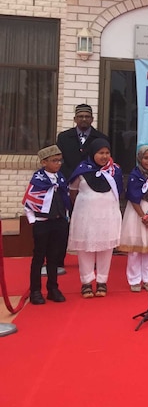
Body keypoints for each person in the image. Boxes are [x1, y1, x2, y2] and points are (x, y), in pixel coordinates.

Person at [68, 138, 123, 299]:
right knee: (85, 249)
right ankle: (86, 282)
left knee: (106, 249)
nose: (104, 156)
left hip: (107, 217)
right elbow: (72, 191)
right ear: (93, 153)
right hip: (86, 218)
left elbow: (119, 192)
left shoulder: (115, 170)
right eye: (100, 153)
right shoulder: (82, 170)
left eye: (107, 153)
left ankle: (101, 282)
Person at [23, 145, 71, 304]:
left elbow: (65, 198)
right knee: (39, 257)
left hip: (58, 221)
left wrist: (65, 217)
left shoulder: (61, 178)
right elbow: (28, 201)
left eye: (59, 160)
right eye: (54, 161)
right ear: (44, 162)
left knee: (54, 257)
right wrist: (33, 220)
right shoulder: (38, 179)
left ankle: (53, 288)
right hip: (42, 223)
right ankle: (35, 291)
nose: (58, 164)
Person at [119, 145, 148, 293]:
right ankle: (134, 279)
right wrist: (143, 216)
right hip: (137, 213)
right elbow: (133, 197)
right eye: (146, 158)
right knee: (135, 248)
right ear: (139, 158)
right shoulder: (134, 175)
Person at [56, 103, 109, 180]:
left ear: (92, 119)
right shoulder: (64, 137)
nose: (84, 119)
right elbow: (59, 159)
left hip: (93, 182)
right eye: (80, 116)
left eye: (87, 116)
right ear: (75, 119)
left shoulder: (101, 138)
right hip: (68, 180)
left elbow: (105, 161)